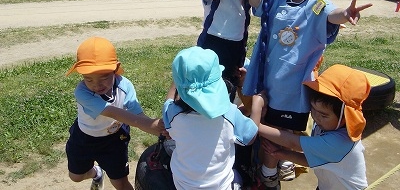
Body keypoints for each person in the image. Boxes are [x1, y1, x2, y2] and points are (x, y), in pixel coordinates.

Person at [243, 0, 373, 189]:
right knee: (271, 124)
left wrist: (346, 14)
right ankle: (278, 162)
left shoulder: (318, 5)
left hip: (291, 87)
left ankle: (270, 172)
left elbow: (332, 15)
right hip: (265, 78)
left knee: (280, 129)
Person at [65, 36, 165, 190]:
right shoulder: (82, 92)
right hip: (83, 138)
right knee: (76, 176)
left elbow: (138, 115)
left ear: (115, 69)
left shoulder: (125, 86)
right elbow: (113, 112)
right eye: (88, 79)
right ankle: (96, 173)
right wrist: (151, 125)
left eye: (104, 77)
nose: (96, 85)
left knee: (120, 183)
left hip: (114, 139)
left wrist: (160, 129)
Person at [252, 64, 371, 190]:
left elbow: (292, 142)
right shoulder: (326, 126)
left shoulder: (339, 142)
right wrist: (282, 153)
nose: (316, 117)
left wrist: (254, 124)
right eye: (313, 110)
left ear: (345, 117)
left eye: (324, 115)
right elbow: (315, 160)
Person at [163, 46, 259, 190]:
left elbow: (168, 101)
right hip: (221, 187)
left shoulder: (173, 113)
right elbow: (251, 136)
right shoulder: (229, 113)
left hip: (183, 185)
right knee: (239, 175)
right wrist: (257, 105)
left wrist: (177, 81)